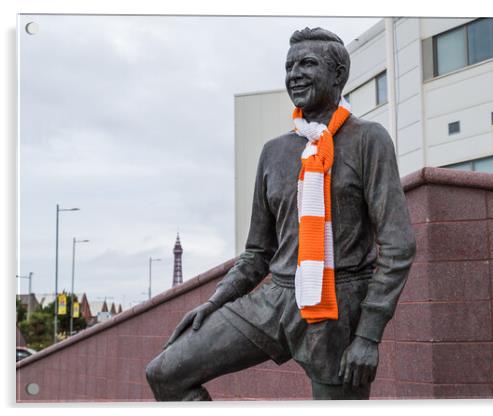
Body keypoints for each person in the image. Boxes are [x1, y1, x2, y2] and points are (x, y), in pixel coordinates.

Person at [145, 27, 416, 401]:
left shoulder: (369, 140)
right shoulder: (274, 152)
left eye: (307, 64)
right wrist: (215, 302)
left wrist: (368, 334)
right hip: (276, 298)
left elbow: (399, 246)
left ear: (339, 75)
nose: (294, 74)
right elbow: (258, 252)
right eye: (289, 67)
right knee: (164, 373)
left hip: (337, 305)